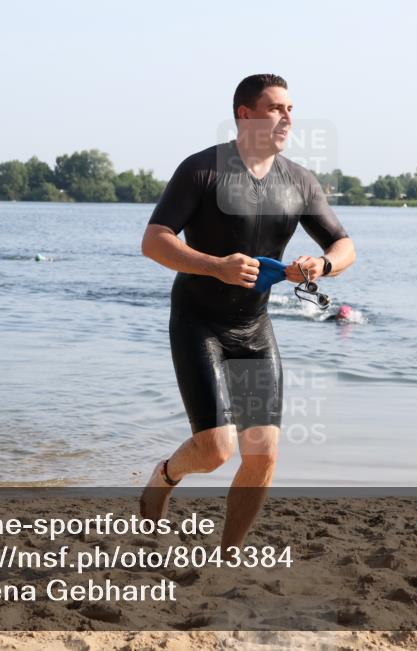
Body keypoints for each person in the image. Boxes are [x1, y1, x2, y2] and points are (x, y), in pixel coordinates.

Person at [139, 74, 356, 550]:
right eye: (277, 108)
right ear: (245, 114)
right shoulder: (203, 170)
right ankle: (165, 476)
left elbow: (344, 246)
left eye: (291, 109)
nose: (288, 118)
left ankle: (229, 554)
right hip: (199, 323)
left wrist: (320, 264)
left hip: (254, 329)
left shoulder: (299, 181)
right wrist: (216, 266)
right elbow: (154, 241)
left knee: (263, 452)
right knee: (217, 448)